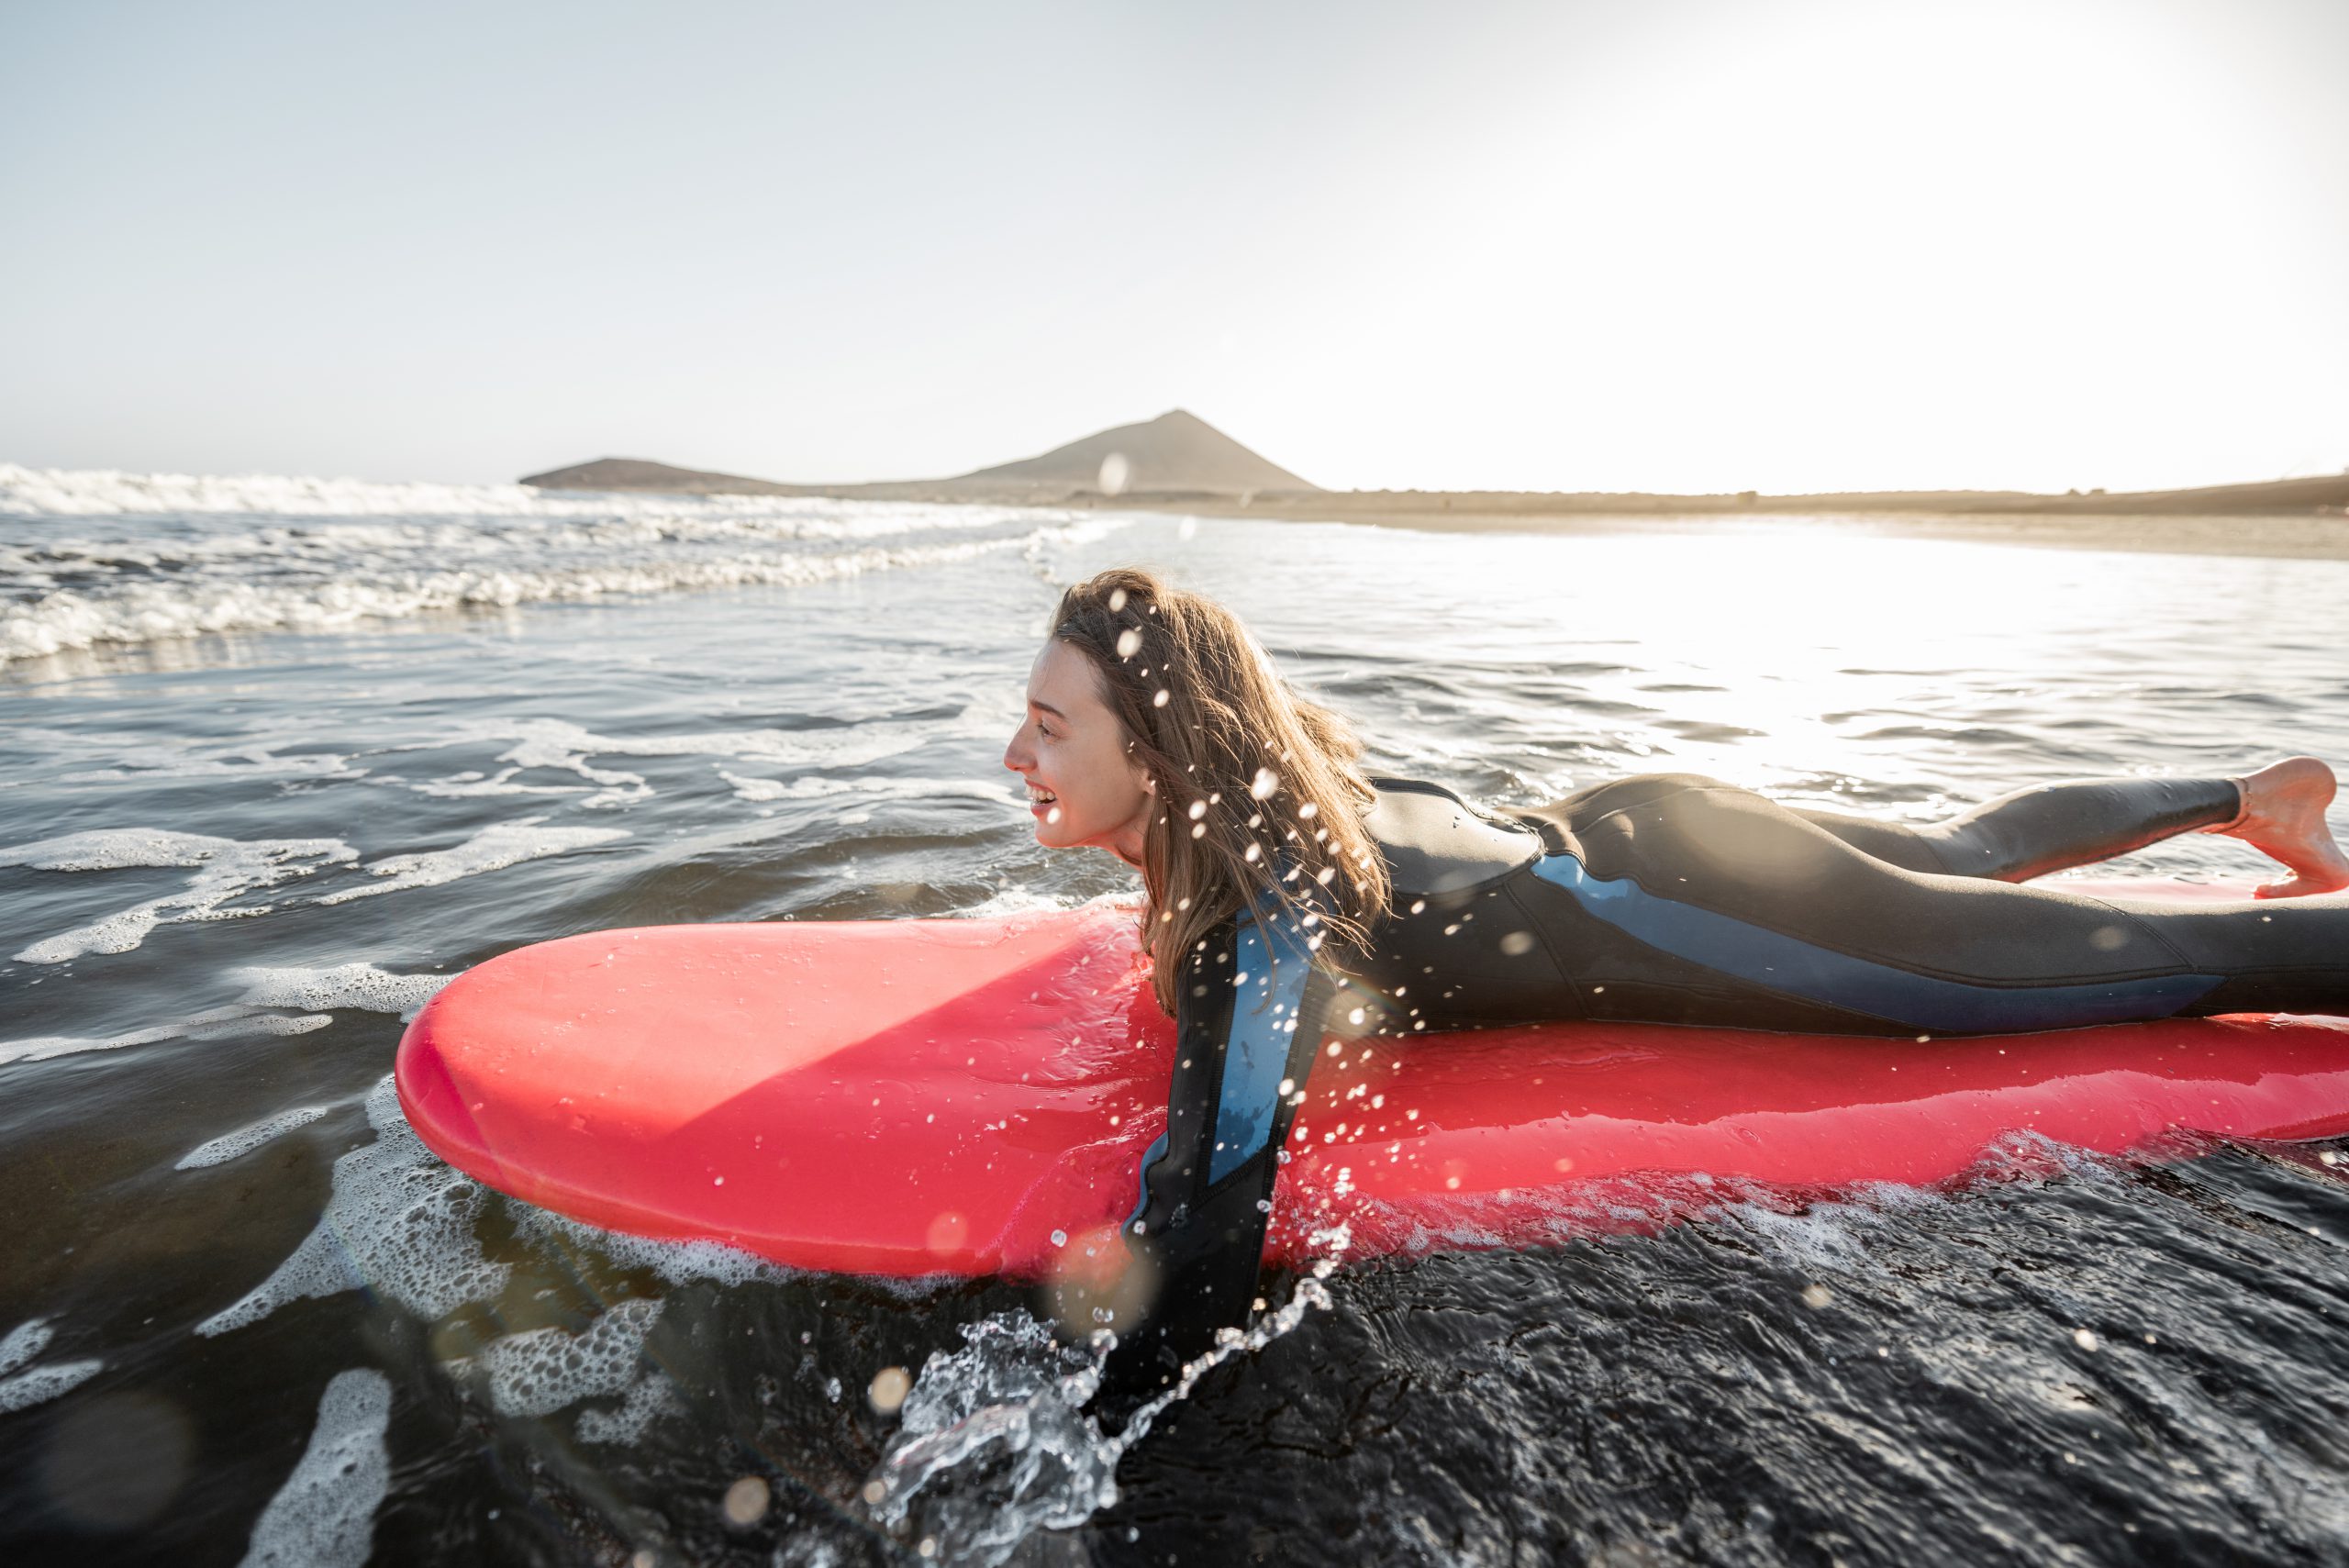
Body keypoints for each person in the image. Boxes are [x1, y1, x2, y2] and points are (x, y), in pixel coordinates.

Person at [1001, 567, 2349, 1402]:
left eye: (1053, 727)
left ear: (1165, 746)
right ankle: (2260, 799)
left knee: (2170, 972)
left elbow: (1212, 1220)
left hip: (1712, 916)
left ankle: (2287, 870)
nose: (1017, 752)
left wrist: (1088, 1409)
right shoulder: (1287, 789)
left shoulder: (1268, 912)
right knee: (1964, 852)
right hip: (1649, 821)